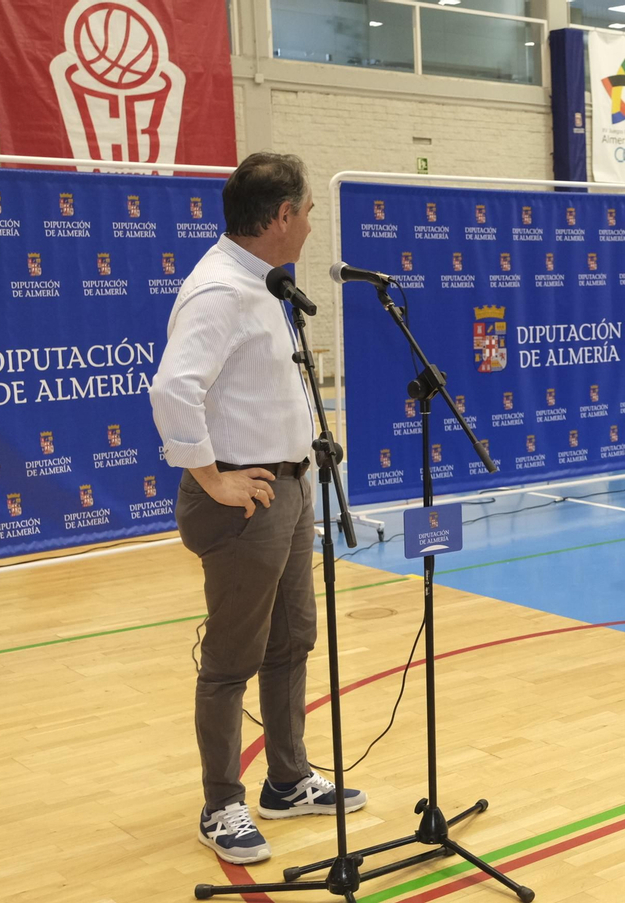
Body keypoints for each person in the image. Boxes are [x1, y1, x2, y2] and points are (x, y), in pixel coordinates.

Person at [149, 152, 366, 865]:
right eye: (306, 210)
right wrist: (213, 479)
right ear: (280, 218)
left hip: (289, 484)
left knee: (291, 638)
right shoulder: (220, 291)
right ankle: (221, 801)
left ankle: (288, 777)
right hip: (249, 498)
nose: (310, 223)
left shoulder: (263, 283)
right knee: (231, 657)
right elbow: (174, 389)